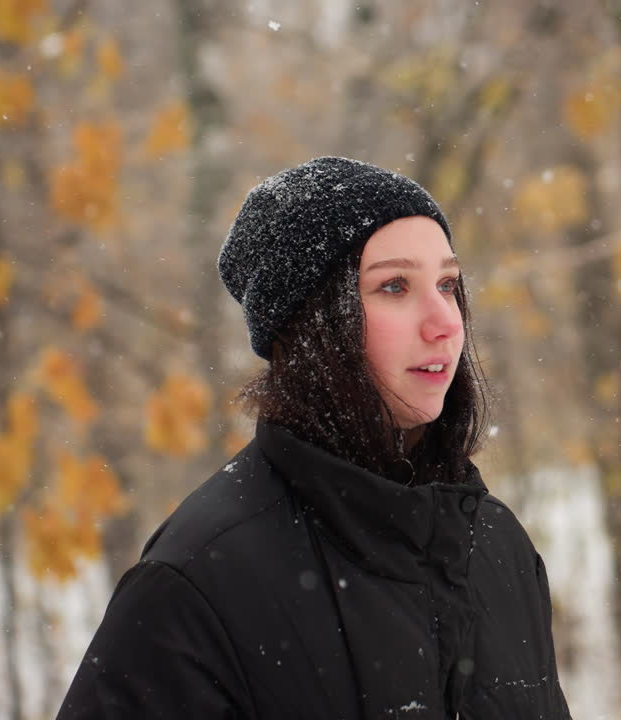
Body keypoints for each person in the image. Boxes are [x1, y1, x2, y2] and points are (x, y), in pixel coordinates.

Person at [56, 156, 572, 719]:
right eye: (394, 286)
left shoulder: (497, 548)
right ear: (313, 324)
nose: (444, 320)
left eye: (448, 284)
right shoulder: (199, 581)